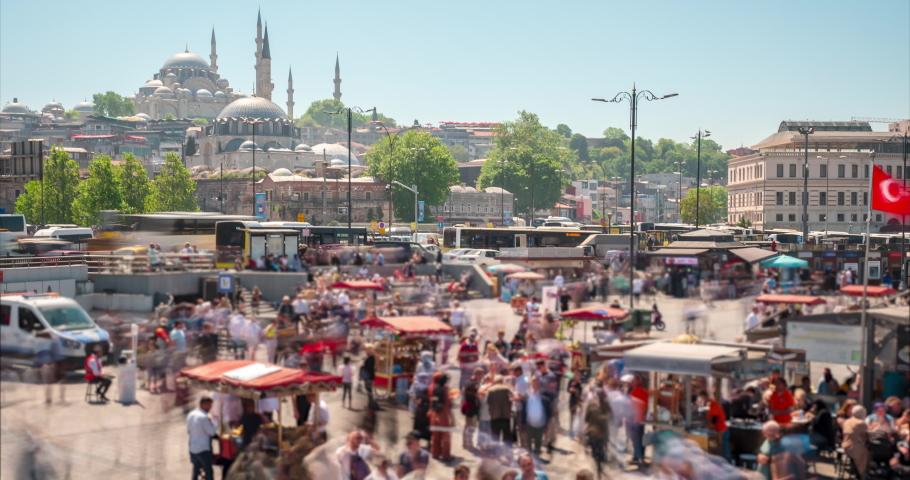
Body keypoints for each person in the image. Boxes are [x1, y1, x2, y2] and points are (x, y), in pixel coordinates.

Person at [187, 396, 218, 480]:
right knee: (208, 471)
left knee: (196, 471)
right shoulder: (204, 417)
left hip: (193, 448)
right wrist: (216, 420)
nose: (210, 408)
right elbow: (211, 432)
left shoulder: (190, 414)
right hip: (203, 449)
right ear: (204, 404)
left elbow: (188, 431)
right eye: (210, 406)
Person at [520, 376, 551, 456]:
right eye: (533, 383)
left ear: (539, 384)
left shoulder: (544, 398)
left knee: (538, 443)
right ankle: (531, 457)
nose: (534, 385)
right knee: (528, 443)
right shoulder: (526, 397)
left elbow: (548, 413)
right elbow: (523, 411)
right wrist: (522, 423)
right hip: (529, 424)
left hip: (540, 425)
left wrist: (547, 426)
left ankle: (537, 457)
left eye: (536, 383)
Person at [698, 390, 730, 461]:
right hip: (721, 430)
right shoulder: (711, 404)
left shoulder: (713, 404)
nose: (701, 400)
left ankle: (728, 464)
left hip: (722, 431)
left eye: (701, 398)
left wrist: (709, 426)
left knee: (724, 451)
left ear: (704, 397)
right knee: (722, 450)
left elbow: (714, 419)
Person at [428, 372, 454, 461]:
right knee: (446, 436)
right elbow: (448, 403)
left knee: (435, 435)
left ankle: (435, 453)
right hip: (444, 415)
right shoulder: (446, 389)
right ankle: (446, 455)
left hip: (434, 414)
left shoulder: (433, 388)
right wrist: (453, 398)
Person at [842, 405, 870, 475]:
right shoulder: (861, 423)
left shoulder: (847, 421)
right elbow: (868, 434)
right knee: (870, 453)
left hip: (845, 445)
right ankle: (863, 473)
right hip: (855, 447)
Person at [462, 367, 484, 451]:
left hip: (468, 405)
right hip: (471, 407)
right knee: (471, 426)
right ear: (478, 374)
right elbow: (478, 394)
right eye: (481, 375)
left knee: (467, 426)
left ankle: (465, 443)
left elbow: (463, 391)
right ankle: (469, 444)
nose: (482, 376)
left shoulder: (468, 381)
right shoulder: (474, 384)